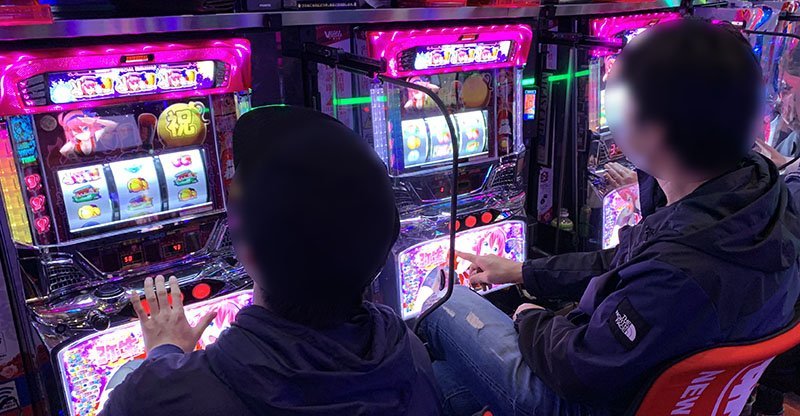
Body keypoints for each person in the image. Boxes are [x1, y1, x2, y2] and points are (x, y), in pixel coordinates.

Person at [420, 19, 800, 416]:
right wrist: (523, 272)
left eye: (619, 103)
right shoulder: (756, 198)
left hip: (592, 397)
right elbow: (627, 263)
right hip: (659, 382)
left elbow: (576, 369)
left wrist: (530, 317)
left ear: (654, 132)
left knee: (443, 300)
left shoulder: (679, 269)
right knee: (444, 380)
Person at [101, 106, 442, 416]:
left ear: (246, 253)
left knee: (126, 372)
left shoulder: (155, 396)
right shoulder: (406, 350)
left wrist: (164, 353)